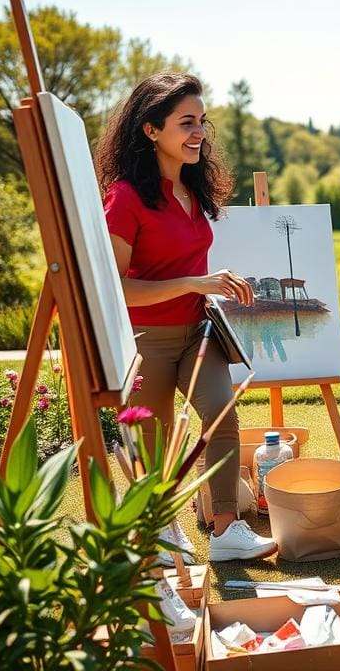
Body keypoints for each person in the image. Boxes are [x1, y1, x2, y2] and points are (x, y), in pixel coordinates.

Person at [97, 72, 278, 562]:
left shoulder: (192, 192)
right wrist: (195, 283)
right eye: (185, 123)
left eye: (201, 122)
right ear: (151, 130)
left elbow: (188, 259)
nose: (198, 132)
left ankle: (226, 531)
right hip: (146, 338)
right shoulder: (125, 198)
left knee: (221, 418)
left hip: (199, 332)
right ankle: (162, 530)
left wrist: (210, 285)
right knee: (152, 446)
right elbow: (118, 288)